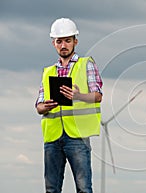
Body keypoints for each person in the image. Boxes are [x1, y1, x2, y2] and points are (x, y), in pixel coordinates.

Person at [35, 18, 103, 193]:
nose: (63, 45)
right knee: (51, 189)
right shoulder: (48, 71)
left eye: (67, 40)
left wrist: (78, 95)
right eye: (59, 41)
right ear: (53, 43)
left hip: (77, 136)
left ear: (75, 41)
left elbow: (98, 96)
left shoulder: (86, 64)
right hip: (52, 137)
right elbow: (38, 107)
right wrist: (46, 106)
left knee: (83, 188)